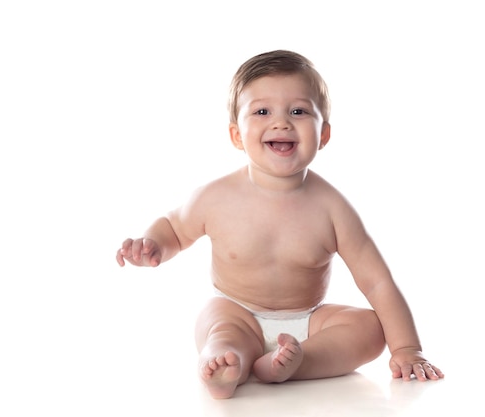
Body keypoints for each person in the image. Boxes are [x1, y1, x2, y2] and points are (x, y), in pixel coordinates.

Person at [116, 49, 444, 399]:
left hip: (309, 321)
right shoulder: (216, 197)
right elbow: (174, 228)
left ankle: (298, 361)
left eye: (299, 111)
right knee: (217, 321)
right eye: (261, 111)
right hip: (237, 311)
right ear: (237, 136)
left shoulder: (333, 208)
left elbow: (377, 282)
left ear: (324, 135)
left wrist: (407, 347)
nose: (281, 122)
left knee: (369, 328)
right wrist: (152, 245)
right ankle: (226, 363)